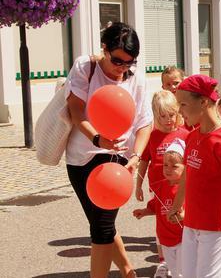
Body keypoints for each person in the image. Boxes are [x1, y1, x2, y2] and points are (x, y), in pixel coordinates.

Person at [65, 22, 153, 277]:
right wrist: (97, 139)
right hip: (81, 157)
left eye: (129, 63)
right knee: (99, 222)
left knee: (101, 228)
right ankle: (126, 269)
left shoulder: (136, 79)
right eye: (117, 61)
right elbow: (76, 110)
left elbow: (144, 123)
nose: (122, 68)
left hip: (117, 158)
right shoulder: (86, 66)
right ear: (104, 49)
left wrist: (136, 155)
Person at [168, 74, 221, 277]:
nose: (179, 111)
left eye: (183, 104)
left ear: (204, 102)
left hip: (217, 227)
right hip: (191, 222)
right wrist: (177, 204)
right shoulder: (192, 136)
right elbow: (188, 173)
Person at [134, 90, 189, 277]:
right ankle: (163, 261)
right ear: (156, 116)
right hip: (157, 188)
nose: (168, 120)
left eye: (171, 115)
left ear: (178, 113)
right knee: (161, 223)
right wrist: (138, 185)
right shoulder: (152, 136)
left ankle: (183, 258)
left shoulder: (185, 134)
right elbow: (144, 161)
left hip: (179, 188)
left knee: (180, 222)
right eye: (163, 116)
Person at [133, 140, 186, 278]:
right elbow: (156, 205)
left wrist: (184, 215)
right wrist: (145, 212)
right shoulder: (161, 186)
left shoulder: (187, 188)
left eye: (174, 166)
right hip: (165, 237)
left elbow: (195, 210)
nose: (168, 169)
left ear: (185, 167)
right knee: (174, 271)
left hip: (183, 238)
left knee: (183, 271)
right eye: (165, 165)